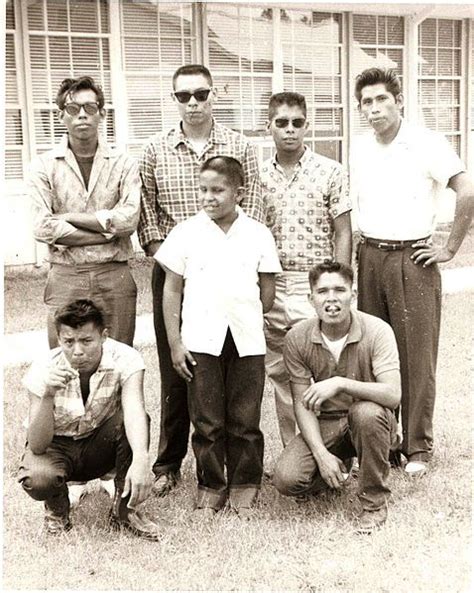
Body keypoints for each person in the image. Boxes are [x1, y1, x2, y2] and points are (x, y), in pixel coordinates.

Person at [138, 64, 265, 496]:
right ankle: (171, 465)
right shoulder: (155, 148)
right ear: (174, 99)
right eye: (183, 95)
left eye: (201, 93)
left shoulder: (239, 146)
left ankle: (243, 474)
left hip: (235, 270)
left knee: (237, 382)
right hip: (178, 261)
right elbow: (147, 209)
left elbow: (257, 200)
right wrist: (172, 257)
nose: (192, 102)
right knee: (183, 373)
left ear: (214, 95)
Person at [351, 67, 474, 477]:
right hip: (369, 255)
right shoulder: (360, 148)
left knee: (416, 356)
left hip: (413, 258)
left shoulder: (426, 143)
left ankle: (418, 446)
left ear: (399, 100)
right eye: (366, 102)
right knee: (372, 353)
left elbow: (467, 188)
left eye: (381, 99)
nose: (374, 109)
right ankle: (385, 441)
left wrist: (450, 246)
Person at [155, 156, 281, 519]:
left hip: (246, 338)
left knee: (244, 416)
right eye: (204, 190)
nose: (209, 197)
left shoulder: (257, 233)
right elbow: (172, 291)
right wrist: (177, 343)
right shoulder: (186, 232)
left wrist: (242, 310)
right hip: (200, 339)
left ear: (238, 192)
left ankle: (245, 483)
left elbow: (267, 291)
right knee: (207, 418)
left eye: (218, 190)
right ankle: (211, 485)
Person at [273, 262, 401, 534]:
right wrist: (321, 454)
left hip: (372, 420)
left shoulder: (377, 330)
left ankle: (374, 502)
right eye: (322, 291)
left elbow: (392, 394)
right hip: (327, 422)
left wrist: (341, 383)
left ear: (352, 295)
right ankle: (337, 466)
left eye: (339, 290)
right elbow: (301, 402)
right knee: (287, 479)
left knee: (366, 413)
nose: (331, 298)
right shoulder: (297, 337)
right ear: (311, 299)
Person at [17, 299, 161, 540]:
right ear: (59, 339)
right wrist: (47, 394)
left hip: (98, 445)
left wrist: (140, 459)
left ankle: (124, 512)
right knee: (38, 477)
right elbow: (38, 445)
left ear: (103, 336)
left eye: (86, 340)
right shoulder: (43, 368)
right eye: (69, 342)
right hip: (58, 448)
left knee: (133, 421)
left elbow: (135, 409)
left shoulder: (126, 358)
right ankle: (57, 513)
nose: (78, 351)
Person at [260, 92, 352, 447]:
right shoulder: (258, 177)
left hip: (315, 282)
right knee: (282, 372)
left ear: (307, 126)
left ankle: (339, 446)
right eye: (281, 122)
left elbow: (343, 232)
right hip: (273, 283)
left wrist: (336, 284)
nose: (290, 130)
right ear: (269, 126)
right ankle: (293, 450)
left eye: (297, 122)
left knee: (325, 365)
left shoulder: (330, 171)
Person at [29, 76, 140, 349]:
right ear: (61, 116)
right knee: (65, 360)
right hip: (66, 274)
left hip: (114, 274)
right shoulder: (43, 166)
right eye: (73, 108)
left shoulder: (123, 163)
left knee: (119, 356)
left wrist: (67, 218)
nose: (82, 115)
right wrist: (105, 234)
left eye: (90, 108)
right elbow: (42, 227)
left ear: (102, 113)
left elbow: (128, 219)